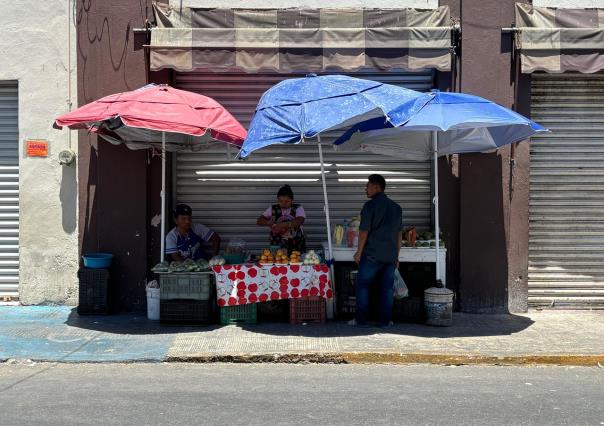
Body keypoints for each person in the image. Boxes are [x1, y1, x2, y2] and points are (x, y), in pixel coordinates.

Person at [352, 174, 403, 327]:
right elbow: (399, 234)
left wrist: (359, 252)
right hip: (390, 256)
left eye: (367, 186)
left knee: (363, 286)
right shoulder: (396, 207)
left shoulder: (370, 206)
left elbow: (363, 231)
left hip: (372, 255)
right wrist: (397, 256)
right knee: (387, 289)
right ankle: (385, 321)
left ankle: (361, 321)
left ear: (376, 187)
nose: (365, 189)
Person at [257, 185, 306, 254]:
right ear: (277, 200)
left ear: (292, 200)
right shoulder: (272, 209)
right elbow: (259, 221)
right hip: (277, 243)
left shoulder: (298, 208)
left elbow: (300, 220)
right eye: (281, 201)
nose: (283, 204)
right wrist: (267, 222)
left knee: (296, 261)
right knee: (277, 261)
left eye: (287, 201)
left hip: (296, 243)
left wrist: (285, 224)